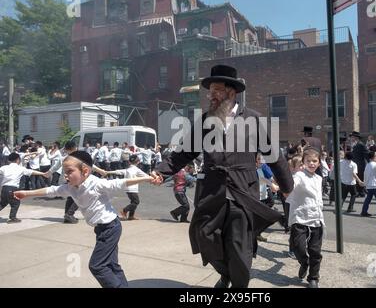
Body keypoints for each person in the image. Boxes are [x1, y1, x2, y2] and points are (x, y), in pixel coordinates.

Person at [152, 64, 293, 288]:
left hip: (242, 193)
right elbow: (184, 153)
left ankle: (237, 286)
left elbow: (274, 156)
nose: (211, 95)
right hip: (211, 193)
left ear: (231, 93)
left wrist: (287, 186)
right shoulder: (205, 120)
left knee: (239, 249)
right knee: (203, 236)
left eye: (217, 90)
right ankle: (226, 273)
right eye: (210, 91)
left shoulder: (254, 120)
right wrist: (161, 171)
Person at [13, 151, 159, 288]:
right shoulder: (70, 187)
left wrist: (147, 178)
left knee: (97, 266)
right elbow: (51, 191)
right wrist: (26, 193)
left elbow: (120, 183)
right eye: (65, 172)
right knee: (111, 265)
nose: (66, 176)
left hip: (110, 228)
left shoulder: (97, 184)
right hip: (101, 229)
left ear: (85, 171)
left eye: (70, 171)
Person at [285, 148, 324, 288]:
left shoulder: (319, 178)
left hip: (316, 218)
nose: (312, 163)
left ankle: (313, 278)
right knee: (297, 247)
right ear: (303, 162)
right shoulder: (299, 175)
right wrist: (281, 187)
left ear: (319, 163)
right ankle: (304, 262)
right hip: (300, 217)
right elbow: (292, 183)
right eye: (309, 161)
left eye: (315, 161)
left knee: (315, 250)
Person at [0, 153, 48, 223]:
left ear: (9, 160)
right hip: (13, 189)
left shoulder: (4, 167)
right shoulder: (20, 168)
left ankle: (12, 217)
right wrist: (43, 174)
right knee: (15, 203)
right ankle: (12, 218)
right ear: (18, 160)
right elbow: (32, 172)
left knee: (2, 203)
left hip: (4, 189)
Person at [107, 154, 149, 221]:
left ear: (129, 162)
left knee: (133, 201)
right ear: (138, 162)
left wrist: (107, 172)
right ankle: (124, 210)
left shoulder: (127, 169)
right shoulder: (136, 170)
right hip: (133, 189)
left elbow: (117, 171)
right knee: (136, 202)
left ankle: (131, 216)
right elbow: (146, 176)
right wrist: (154, 179)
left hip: (127, 188)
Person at [350, 131, 369, 197]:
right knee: (356, 177)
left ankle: (361, 192)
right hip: (354, 163)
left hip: (360, 164)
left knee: (360, 177)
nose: (351, 138)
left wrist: (370, 162)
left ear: (356, 138)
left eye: (352, 137)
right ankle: (359, 191)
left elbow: (366, 153)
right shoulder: (354, 144)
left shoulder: (361, 144)